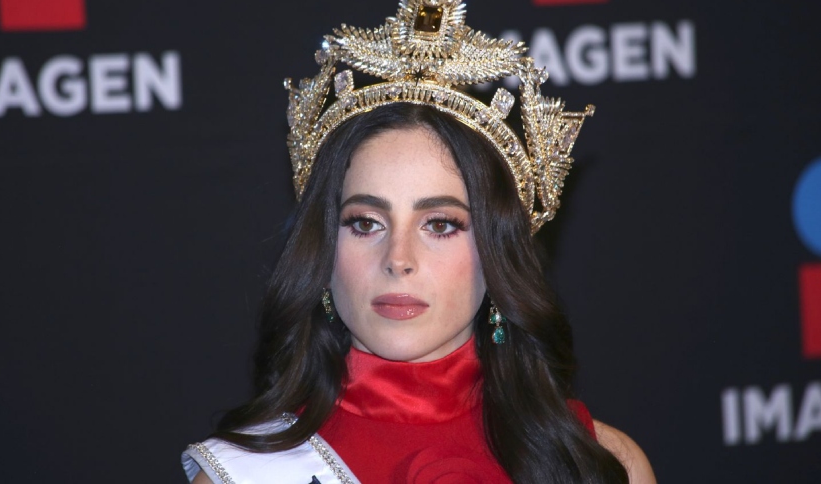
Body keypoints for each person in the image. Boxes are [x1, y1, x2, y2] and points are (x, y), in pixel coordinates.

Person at [183, 1, 656, 482]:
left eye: (440, 225)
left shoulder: (598, 463)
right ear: (323, 252)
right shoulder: (245, 474)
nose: (399, 259)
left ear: (496, 255)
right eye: (366, 223)